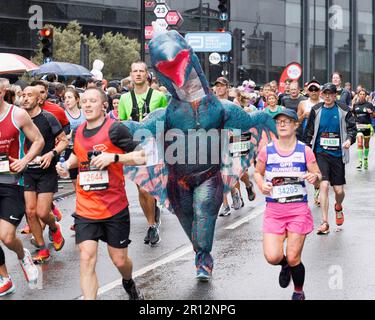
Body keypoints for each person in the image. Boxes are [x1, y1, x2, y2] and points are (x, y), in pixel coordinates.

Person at [56, 87, 145, 300]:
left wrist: (113, 158)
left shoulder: (116, 130)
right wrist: (67, 164)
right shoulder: (77, 132)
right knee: (86, 258)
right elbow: (80, 155)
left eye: (92, 101)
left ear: (103, 105)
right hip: (86, 206)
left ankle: (128, 282)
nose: (87, 105)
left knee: (120, 260)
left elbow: (143, 156)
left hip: (114, 206)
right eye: (84, 101)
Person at [254, 109, 322, 300]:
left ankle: (298, 291)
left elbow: (319, 176)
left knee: (294, 257)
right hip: (274, 212)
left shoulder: (304, 151)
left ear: (295, 125)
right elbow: (257, 173)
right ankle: (284, 265)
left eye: (287, 121)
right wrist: (261, 185)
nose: (282, 124)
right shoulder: (267, 150)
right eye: (279, 122)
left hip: (297, 210)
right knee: (273, 257)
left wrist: (313, 176)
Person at [0, 78, 43, 296]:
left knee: (7, 236)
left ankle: (22, 255)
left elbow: (38, 140)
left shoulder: (17, 114)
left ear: (2, 91)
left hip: (11, 182)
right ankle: (5, 278)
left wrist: (25, 160)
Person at [118, 60, 168, 246]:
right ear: (131, 74)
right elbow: (123, 123)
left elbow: (164, 120)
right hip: (134, 145)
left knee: (148, 186)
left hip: (153, 144)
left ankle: (153, 219)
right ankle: (151, 224)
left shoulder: (158, 96)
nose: (138, 74)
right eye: (134, 71)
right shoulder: (124, 99)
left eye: (141, 71)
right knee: (141, 187)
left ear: (147, 74)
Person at [20, 86, 68, 262]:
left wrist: (51, 154)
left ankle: (54, 227)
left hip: (46, 170)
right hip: (26, 171)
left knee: (41, 212)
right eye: (22, 95)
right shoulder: (18, 119)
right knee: (30, 212)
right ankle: (42, 248)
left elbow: (64, 141)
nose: (25, 98)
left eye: (29, 95)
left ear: (38, 99)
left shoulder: (48, 118)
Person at [304, 83, 357, 235]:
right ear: (321, 94)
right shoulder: (316, 110)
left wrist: (349, 140)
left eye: (330, 94)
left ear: (335, 95)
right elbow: (309, 132)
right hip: (321, 153)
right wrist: (306, 149)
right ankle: (325, 222)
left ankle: (338, 206)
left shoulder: (344, 110)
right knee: (325, 185)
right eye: (325, 93)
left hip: (338, 155)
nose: (327, 96)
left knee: (339, 190)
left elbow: (352, 129)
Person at [298, 79, 322, 206]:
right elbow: (296, 121)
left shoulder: (324, 103)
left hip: (321, 140)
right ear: (307, 91)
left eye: (316, 90)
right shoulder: (303, 103)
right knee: (308, 167)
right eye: (311, 90)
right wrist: (304, 116)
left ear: (320, 91)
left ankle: (317, 193)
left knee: (317, 167)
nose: (313, 92)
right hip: (307, 139)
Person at [351, 88, 374, 170]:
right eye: (360, 94)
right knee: (360, 143)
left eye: (363, 94)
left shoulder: (369, 105)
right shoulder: (355, 105)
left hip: (367, 126)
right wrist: (355, 122)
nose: (362, 96)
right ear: (358, 95)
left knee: (366, 144)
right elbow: (353, 114)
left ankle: (366, 159)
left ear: (366, 96)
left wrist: (370, 112)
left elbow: (373, 116)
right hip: (359, 126)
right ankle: (360, 162)